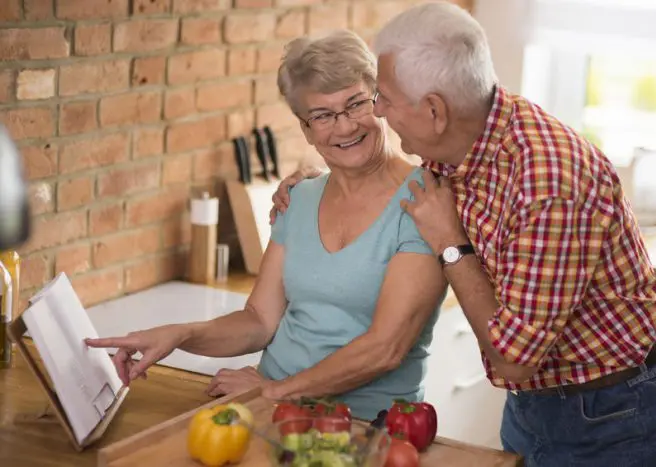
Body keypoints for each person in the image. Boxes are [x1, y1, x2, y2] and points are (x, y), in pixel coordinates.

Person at [268, 3, 656, 465]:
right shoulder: (460, 138)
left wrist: (452, 243)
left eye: (382, 98)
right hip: (540, 398)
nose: (378, 112)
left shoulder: (549, 184)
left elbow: (514, 360)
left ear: (434, 110)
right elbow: (370, 171)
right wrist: (313, 179)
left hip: (614, 406)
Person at [86, 30, 447, 422]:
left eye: (355, 104)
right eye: (322, 115)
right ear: (305, 128)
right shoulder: (300, 198)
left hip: (369, 426)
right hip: (270, 410)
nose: (343, 127)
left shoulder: (425, 201)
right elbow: (259, 320)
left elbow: (385, 348)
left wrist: (275, 391)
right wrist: (180, 335)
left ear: (379, 103)